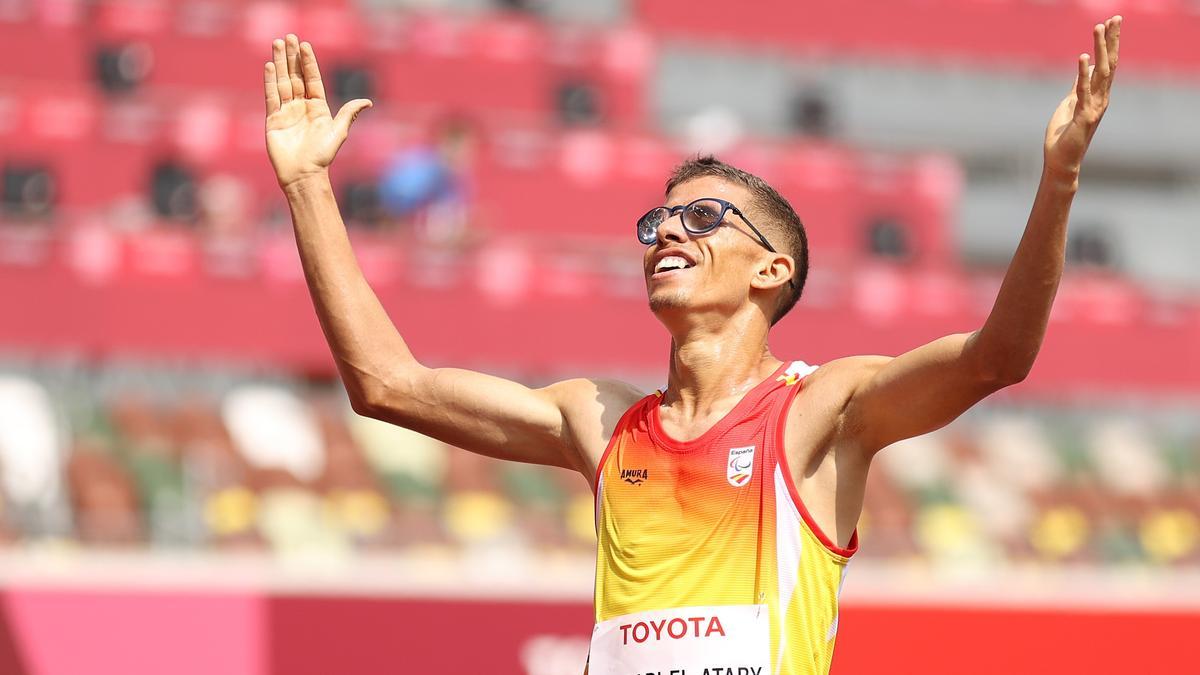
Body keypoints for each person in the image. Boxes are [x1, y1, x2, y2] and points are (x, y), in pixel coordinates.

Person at [261, 17, 1122, 674]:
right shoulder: (596, 418)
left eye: (704, 216)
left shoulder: (820, 409)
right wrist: (306, 186)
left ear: (773, 267)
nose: (667, 229)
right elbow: (386, 384)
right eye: (658, 219)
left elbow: (994, 358)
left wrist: (1060, 179)